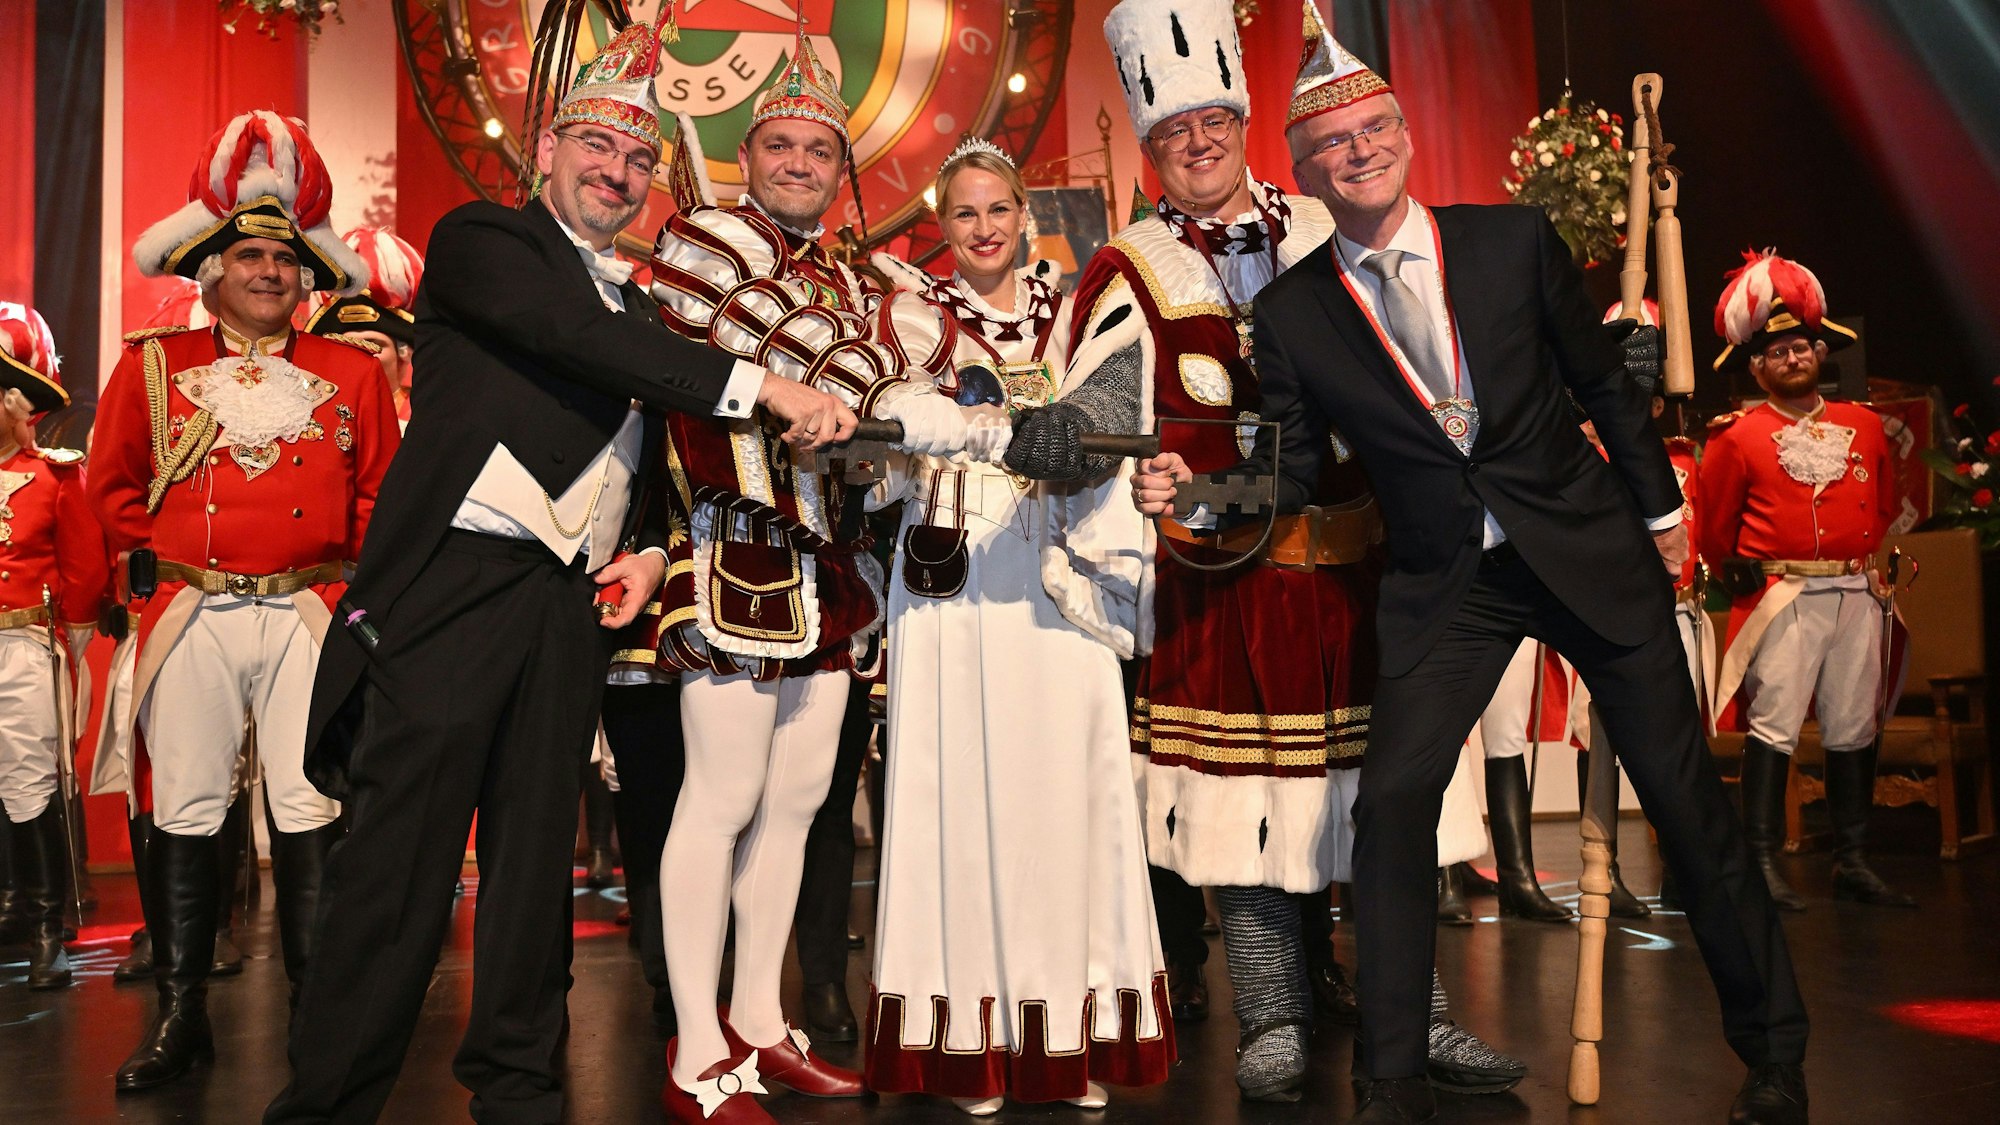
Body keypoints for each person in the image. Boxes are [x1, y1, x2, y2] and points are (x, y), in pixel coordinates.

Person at [1131, 16, 1809, 1124]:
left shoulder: (1508, 241)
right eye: (1334, 144)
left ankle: (1772, 1052)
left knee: (1687, 810)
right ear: (1303, 171)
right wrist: (1198, 495)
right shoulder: (1292, 312)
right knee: (1390, 807)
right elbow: (1291, 466)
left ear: (1403, 135)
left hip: (1587, 551)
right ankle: (1387, 1078)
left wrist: (1659, 510)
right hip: (1450, 585)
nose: (1359, 152)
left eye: (1375, 129)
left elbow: (1600, 388)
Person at [261, 18, 860, 1122]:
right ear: (545, 149)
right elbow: (577, 343)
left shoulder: (635, 301)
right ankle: (328, 1107)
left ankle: (523, 1095)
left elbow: (640, 436)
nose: (618, 172)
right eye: (597, 147)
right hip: (451, 589)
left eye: (639, 159)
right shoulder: (483, 240)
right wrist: (765, 387)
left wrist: (638, 548)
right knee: (399, 870)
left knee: (536, 871)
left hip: (562, 604)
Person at [1007, 0, 1520, 1104]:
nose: (1196, 141)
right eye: (1170, 130)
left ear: (1244, 120)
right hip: (1223, 584)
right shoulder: (1128, 264)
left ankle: (1415, 1012)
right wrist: (1095, 453)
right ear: (1147, 148)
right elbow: (1098, 408)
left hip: (1371, 570)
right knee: (1242, 814)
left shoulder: (1326, 222)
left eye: (1213, 120)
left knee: (1393, 799)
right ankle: (1272, 1013)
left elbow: (1434, 343)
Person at [641, 25, 967, 1124]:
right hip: (733, 547)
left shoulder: (845, 268)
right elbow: (832, 364)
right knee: (721, 798)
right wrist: (879, 374)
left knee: (796, 805)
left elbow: (914, 370)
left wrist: (887, 378)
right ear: (750, 154)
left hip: (831, 558)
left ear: (839, 169)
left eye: (814, 152)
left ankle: (761, 1022)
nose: (794, 163)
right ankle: (694, 1049)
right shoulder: (706, 239)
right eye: (776, 145)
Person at [861, 138, 1172, 1115]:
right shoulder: (910, 317)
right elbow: (891, 416)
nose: (984, 228)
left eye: (998, 209)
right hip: (952, 591)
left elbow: (1122, 407)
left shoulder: (1078, 310)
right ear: (941, 225)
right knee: (958, 801)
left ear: (1022, 213)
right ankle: (969, 1045)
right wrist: (979, 420)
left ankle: (1062, 1038)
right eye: (964, 214)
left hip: (1056, 573)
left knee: (1063, 800)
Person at [91, 109, 399, 1092]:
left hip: (310, 611)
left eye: (284, 257)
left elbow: (379, 500)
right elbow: (112, 490)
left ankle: (317, 1015)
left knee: (310, 807)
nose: (269, 271)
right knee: (183, 807)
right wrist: (170, 560)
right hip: (193, 611)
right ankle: (183, 1013)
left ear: (307, 270)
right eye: (249, 254)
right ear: (210, 267)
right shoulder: (151, 367)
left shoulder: (350, 373)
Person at [1701, 251, 1912, 911]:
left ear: (1820, 353)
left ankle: (1851, 858)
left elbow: (1881, 508)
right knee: (1775, 725)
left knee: (1853, 723)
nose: (1791, 358)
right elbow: (1713, 526)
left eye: (1801, 347)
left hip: (1856, 593)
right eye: (1776, 353)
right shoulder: (1737, 438)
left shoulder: (1867, 426)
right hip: (1783, 593)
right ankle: (1761, 859)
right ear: (1757, 368)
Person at [0, 301, 106, 991]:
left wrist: (67, 650)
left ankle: (46, 928)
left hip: (22, 648)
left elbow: (85, 572)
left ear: (17, 404)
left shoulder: (54, 478)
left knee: (28, 783)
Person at [305, 227, 425, 430]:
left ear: (403, 355)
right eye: (347, 346)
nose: (360, 356)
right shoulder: (313, 418)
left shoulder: (426, 417)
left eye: (373, 345)